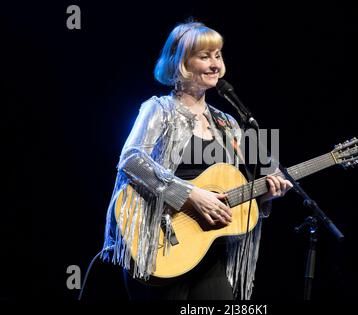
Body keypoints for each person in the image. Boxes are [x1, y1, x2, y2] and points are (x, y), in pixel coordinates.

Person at [101, 20, 292, 300]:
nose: (216, 64)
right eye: (205, 56)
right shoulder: (158, 109)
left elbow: (233, 191)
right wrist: (190, 195)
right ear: (181, 64)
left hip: (205, 250)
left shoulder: (226, 123)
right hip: (159, 243)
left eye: (218, 55)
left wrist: (266, 195)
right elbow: (131, 160)